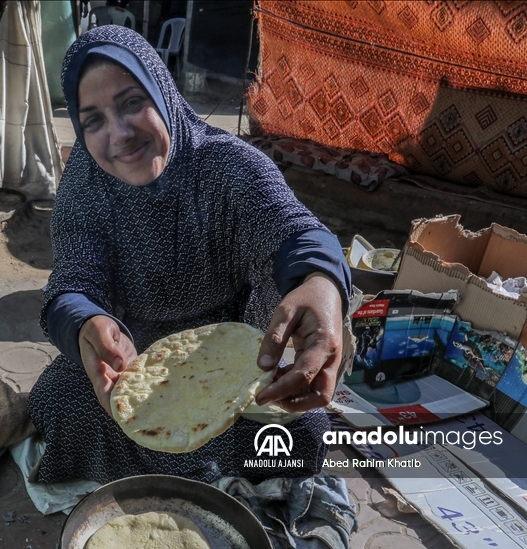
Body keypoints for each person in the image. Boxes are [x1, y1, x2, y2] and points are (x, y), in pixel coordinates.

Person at [27, 26, 352, 485]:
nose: (119, 134)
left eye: (131, 102)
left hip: (233, 349)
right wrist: (84, 323)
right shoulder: (83, 185)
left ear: (163, 90)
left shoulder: (230, 165)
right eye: (93, 120)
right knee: (59, 403)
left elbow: (294, 232)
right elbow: (72, 283)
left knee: (301, 435)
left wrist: (320, 282)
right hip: (134, 353)